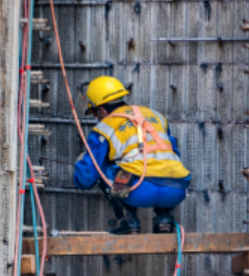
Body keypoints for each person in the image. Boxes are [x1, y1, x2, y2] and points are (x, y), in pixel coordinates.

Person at [73, 76, 191, 235]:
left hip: (140, 191)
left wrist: (80, 164)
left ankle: (129, 221)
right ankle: (164, 219)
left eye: (95, 113)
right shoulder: (156, 116)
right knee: (163, 162)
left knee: (101, 168)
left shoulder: (105, 127)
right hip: (177, 189)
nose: (96, 117)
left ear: (101, 110)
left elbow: (86, 179)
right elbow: (172, 151)